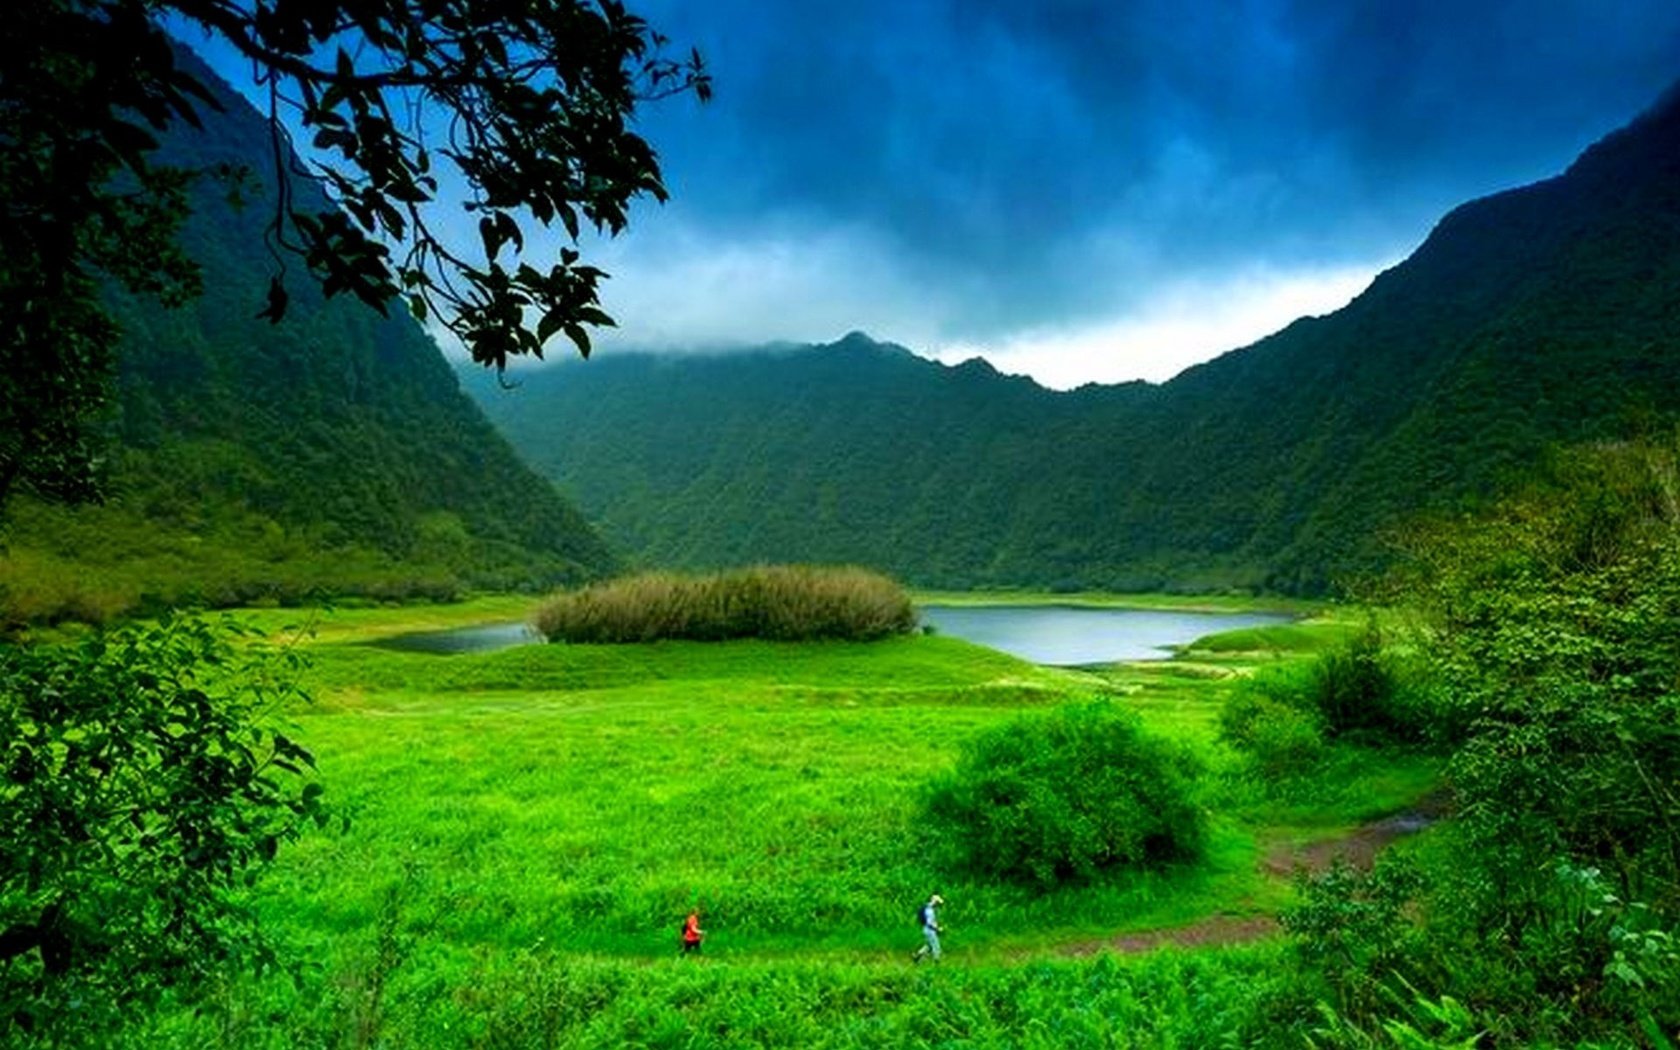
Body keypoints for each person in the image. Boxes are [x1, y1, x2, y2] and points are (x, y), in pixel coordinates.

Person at [911, 894, 945, 963]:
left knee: (929, 946)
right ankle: (937, 963)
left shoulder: (928, 908)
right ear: (935, 902)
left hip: (927, 930)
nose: (938, 905)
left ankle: (917, 956)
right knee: (936, 947)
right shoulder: (930, 910)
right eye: (938, 903)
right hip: (930, 931)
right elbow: (929, 923)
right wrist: (937, 929)